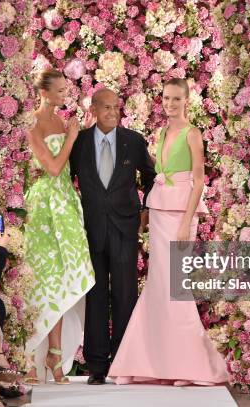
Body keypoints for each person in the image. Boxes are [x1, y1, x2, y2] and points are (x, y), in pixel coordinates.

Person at [108, 78, 228, 386]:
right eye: (166, 98)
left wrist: (188, 221)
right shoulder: (161, 133)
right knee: (159, 288)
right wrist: (148, 212)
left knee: (178, 288)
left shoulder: (193, 134)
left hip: (181, 217)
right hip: (160, 213)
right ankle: (147, 365)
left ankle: (190, 368)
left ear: (187, 100)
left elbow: (199, 181)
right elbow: (159, 177)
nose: (170, 103)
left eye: (176, 98)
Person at [69, 87, 156, 385]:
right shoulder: (78, 142)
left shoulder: (133, 141)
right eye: (105, 107)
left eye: (116, 107)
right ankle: (96, 366)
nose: (112, 112)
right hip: (90, 229)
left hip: (124, 227)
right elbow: (65, 181)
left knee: (124, 294)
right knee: (95, 296)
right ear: (93, 109)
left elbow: (150, 177)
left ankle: (123, 361)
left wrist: (146, 210)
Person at [23, 68, 95, 385]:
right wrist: (71, 137)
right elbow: (52, 168)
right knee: (41, 279)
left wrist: (77, 135)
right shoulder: (33, 123)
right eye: (61, 91)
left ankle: (55, 358)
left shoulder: (64, 122)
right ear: (45, 92)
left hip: (66, 203)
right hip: (43, 208)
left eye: (67, 90)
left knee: (64, 279)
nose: (66, 95)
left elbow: (68, 168)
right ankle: (26, 357)